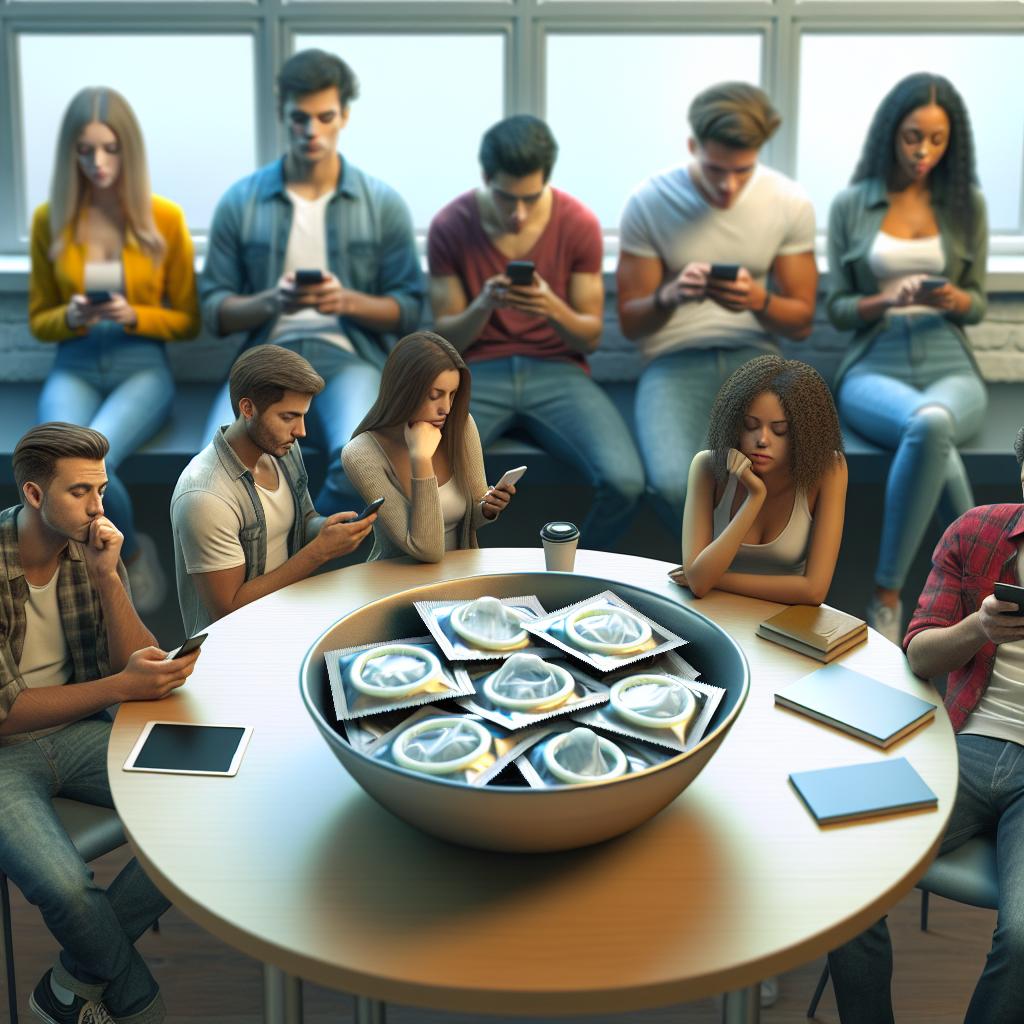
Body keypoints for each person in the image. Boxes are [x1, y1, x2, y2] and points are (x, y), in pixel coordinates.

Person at [0, 423, 201, 1024]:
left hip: (80, 734)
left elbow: (133, 659)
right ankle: (138, 1005)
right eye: (80, 493)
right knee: (63, 886)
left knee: (212, 814)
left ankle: (72, 982)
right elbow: (5, 712)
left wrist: (109, 577)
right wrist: (121, 688)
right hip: (5, 752)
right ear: (35, 495)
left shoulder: (83, 550)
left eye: (102, 490)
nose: (98, 509)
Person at [828, 425, 1024, 1024]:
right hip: (961, 745)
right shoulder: (978, 532)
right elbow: (917, 655)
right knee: (841, 885)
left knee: (1023, 938)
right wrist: (981, 628)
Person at [199, 48, 424, 517]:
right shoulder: (242, 201)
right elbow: (213, 310)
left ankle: (309, 543)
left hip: (351, 358)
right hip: (265, 359)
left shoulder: (381, 203)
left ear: (344, 114)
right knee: (209, 472)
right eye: (300, 119)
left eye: (324, 117)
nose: (311, 131)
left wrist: (346, 301)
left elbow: (410, 308)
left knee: (360, 459)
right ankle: (295, 555)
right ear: (282, 114)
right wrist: (270, 301)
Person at [427, 115, 644, 549]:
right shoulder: (451, 224)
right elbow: (446, 341)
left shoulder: (577, 221)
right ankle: (455, 580)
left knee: (625, 482)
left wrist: (550, 307)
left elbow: (590, 338)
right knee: (426, 477)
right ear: (487, 178)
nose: (518, 214)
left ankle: (580, 575)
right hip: (477, 372)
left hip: (557, 371)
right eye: (507, 198)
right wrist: (483, 305)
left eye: (530, 197)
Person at [827, 73, 989, 643]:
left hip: (951, 361)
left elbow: (979, 304)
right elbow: (838, 309)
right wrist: (885, 299)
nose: (923, 152)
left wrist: (955, 298)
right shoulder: (852, 204)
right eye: (913, 137)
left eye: (937, 141)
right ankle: (976, 587)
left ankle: (887, 594)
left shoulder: (965, 206)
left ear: (953, 142)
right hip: (876, 363)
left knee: (934, 421)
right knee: (929, 425)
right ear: (890, 134)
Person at [617, 81, 817, 537]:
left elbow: (802, 320)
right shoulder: (650, 200)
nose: (728, 186)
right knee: (671, 484)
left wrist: (759, 300)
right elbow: (631, 323)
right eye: (715, 169)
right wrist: (671, 295)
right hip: (673, 360)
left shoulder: (788, 202)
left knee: (779, 476)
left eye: (742, 171)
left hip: (757, 357)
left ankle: (725, 575)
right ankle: (716, 572)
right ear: (692, 147)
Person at [28, 87, 199, 614]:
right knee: (60, 461)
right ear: (70, 154)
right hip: (74, 362)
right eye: (85, 150)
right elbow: (39, 321)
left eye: (109, 148)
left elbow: (189, 320)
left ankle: (128, 557)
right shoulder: (48, 219)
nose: (97, 162)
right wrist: (71, 317)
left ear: (129, 150)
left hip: (141, 364)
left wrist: (136, 315)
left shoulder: (164, 219)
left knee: (95, 462)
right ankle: (118, 559)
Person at [171, 345, 375, 635]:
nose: (301, 431)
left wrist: (325, 529)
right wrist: (318, 553)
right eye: (288, 417)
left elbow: (302, 520)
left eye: (303, 416)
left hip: (289, 617)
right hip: (239, 645)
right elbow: (228, 609)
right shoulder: (205, 496)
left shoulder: (281, 449)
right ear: (248, 408)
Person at [679, 354, 847, 604]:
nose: (763, 440)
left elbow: (814, 591)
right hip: (717, 614)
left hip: (786, 623)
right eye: (750, 425)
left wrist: (719, 578)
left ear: (805, 433)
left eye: (780, 430)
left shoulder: (829, 469)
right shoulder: (707, 467)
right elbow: (700, 585)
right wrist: (754, 497)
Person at [342, 331, 514, 563]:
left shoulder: (460, 427)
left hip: (460, 577)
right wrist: (421, 459)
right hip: (396, 585)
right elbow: (427, 550)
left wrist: (487, 508)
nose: (446, 408)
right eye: (435, 395)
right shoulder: (361, 454)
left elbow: (470, 518)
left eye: (452, 395)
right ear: (404, 392)